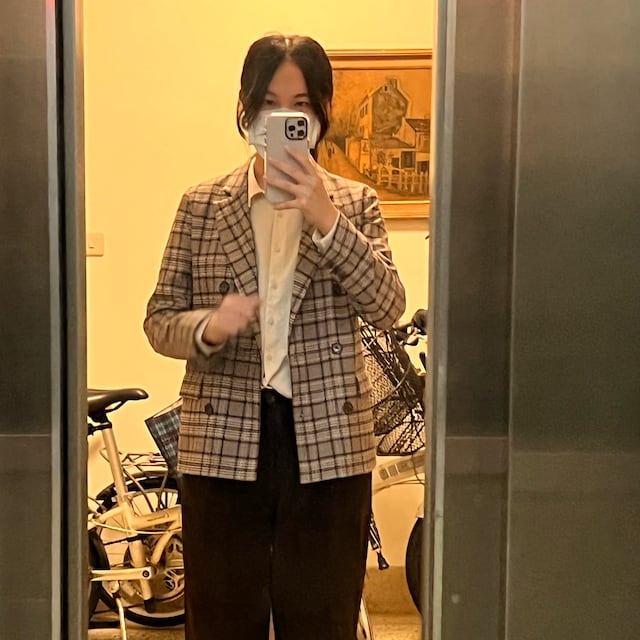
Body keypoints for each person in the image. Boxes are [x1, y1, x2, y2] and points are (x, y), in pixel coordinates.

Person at [144, 33, 406, 640]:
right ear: (246, 109)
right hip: (222, 438)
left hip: (329, 440)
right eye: (269, 104)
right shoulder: (202, 205)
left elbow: (388, 307)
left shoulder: (355, 203)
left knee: (322, 616)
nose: (283, 118)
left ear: (321, 114)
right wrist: (209, 326)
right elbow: (159, 320)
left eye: (301, 105)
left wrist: (326, 218)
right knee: (221, 617)